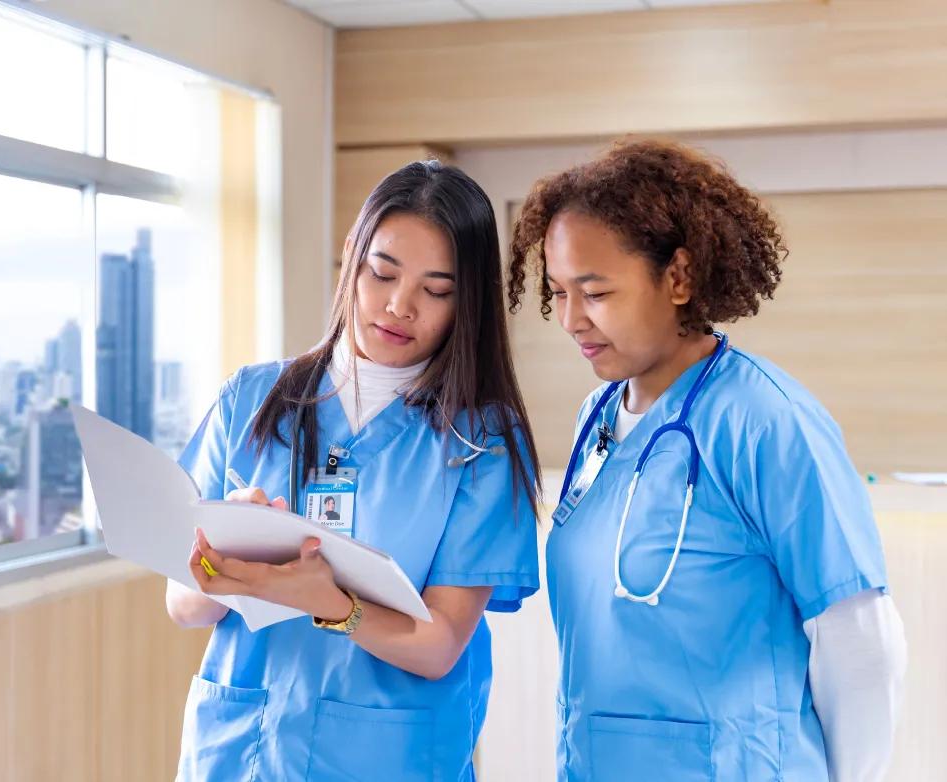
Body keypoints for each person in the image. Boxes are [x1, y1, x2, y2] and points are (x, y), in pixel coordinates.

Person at [508, 139, 907, 781]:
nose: (571, 319)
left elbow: (861, 644)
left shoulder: (766, 421)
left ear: (679, 278)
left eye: (596, 292)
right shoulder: (597, 419)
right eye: (557, 292)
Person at [166, 160, 541, 781]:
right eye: (382, 272)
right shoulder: (252, 399)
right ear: (352, 256)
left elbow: (440, 646)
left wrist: (333, 605)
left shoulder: (482, 442)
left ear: (467, 300)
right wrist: (225, 563)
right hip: (241, 753)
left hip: (388, 760)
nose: (399, 306)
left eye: (437, 290)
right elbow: (184, 605)